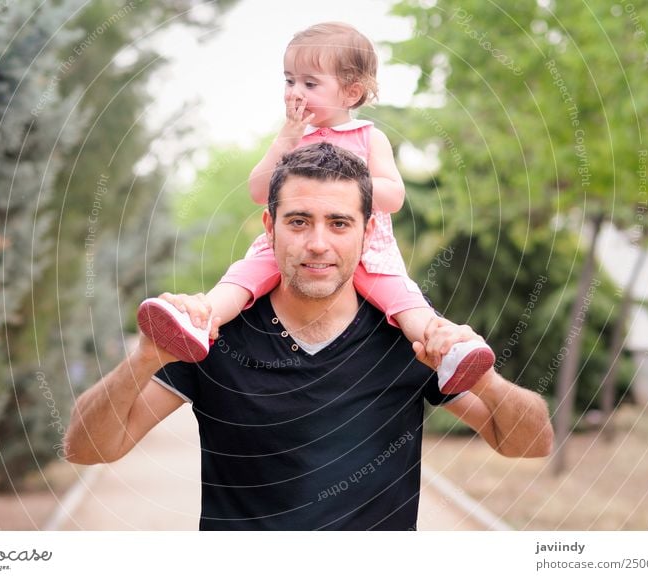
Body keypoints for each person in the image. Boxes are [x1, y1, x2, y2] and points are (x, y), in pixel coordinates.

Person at [65, 142, 554, 531]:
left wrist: (485, 380)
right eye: (298, 221)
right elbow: (88, 449)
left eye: (339, 223)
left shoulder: (409, 340)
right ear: (269, 227)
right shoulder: (210, 336)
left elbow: (528, 444)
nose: (317, 243)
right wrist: (146, 358)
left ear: (367, 233)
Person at [136, 22, 494, 395]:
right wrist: (286, 139)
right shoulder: (292, 138)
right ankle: (198, 319)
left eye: (309, 83)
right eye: (289, 80)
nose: (295, 92)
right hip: (296, 245)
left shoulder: (369, 137)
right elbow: (259, 190)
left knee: (405, 305)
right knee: (243, 277)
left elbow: (394, 195)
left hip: (366, 250)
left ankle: (448, 348)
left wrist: (343, 185)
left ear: (351, 91)